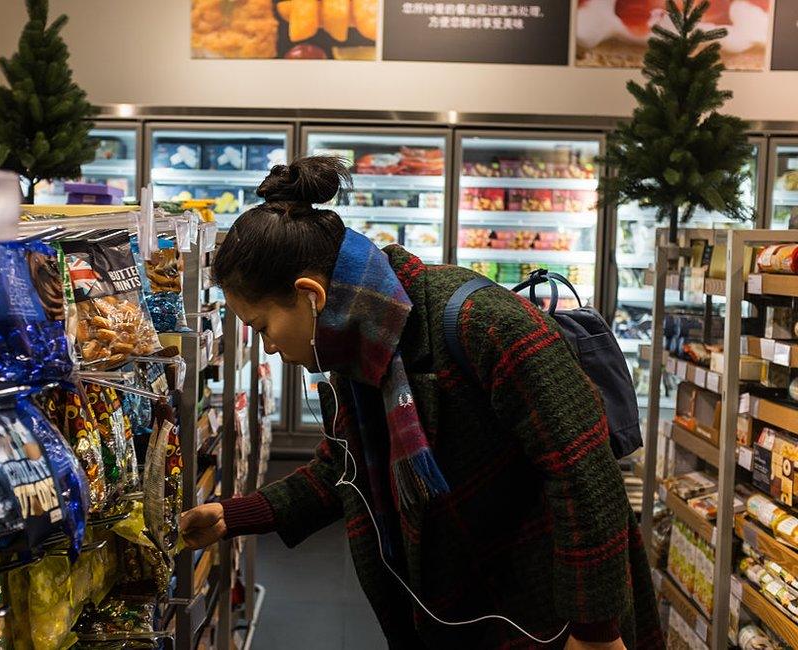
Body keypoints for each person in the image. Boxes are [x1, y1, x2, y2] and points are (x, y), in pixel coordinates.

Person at [179, 156, 663, 650]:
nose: (268, 347)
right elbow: (345, 470)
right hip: (465, 605)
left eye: (263, 327)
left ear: (310, 295)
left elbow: (584, 472)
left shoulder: (483, 323)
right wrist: (234, 515)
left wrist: (596, 632)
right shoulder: (358, 337)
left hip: (549, 613)